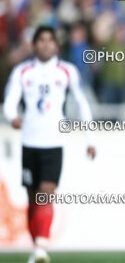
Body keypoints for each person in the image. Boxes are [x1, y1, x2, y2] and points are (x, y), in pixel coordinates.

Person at [3, 26, 96, 263]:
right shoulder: (22, 72)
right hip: (29, 142)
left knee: (46, 194)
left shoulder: (67, 71)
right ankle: (37, 248)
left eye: (50, 40)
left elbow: (82, 104)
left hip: (53, 142)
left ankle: (41, 247)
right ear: (34, 45)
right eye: (41, 40)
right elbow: (10, 101)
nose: (45, 45)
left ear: (56, 45)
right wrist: (12, 117)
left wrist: (90, 139)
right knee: (33, 198)